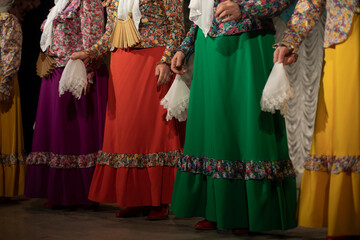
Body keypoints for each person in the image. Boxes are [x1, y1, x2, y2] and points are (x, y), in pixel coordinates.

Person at [170, 0, 297, 232]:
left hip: (247, 43)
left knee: (246, 125)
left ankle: (248, 212)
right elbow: (202, 13)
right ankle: (216, 208)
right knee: (213, 127)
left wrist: (244, 8)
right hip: (210, 48)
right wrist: (185, 48)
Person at [71, 0, 184, 219]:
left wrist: (166, 59)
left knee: (154, 129)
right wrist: (90, 53)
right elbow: (110, 32)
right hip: (122, 62)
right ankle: (134, 197)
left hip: (152, 60)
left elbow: (177, 26)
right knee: (127, 132)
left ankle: (159, 200)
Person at [274, 0, 360, 239]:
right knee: (346, 126)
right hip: (346, 37)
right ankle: (348, 216)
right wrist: (289, 41)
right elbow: (310, 2)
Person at [24, 0, 108, 207]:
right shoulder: (62, 2)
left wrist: (87, 74)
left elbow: (92, 36)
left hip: (75, 73)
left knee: (74, 134)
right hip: (56, 71)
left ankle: (79, 193)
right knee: (58, 133)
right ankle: (58, 192)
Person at [0, 0, 26, 201]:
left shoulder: (8, 21)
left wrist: (5, 83)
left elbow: (11, 53)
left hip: (2, 79)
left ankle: (4, 186)